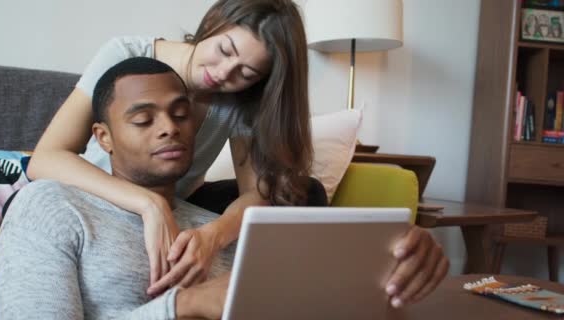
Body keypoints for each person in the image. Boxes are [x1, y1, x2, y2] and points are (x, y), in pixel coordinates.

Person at [26, 0, 449, 308]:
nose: (223, 75)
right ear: (215, 22)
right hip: (105, 193)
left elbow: (255, 193)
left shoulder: (238, 99)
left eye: (246, 73)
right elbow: (44, 160)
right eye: (225, 51)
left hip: (180, 197)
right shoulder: (127, 56)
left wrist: (213, 236)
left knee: (302, 192)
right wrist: (148, 203)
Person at [0, 57, 232, 320]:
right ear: (104, 138)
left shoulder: (219, 231)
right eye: (143, 120)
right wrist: (182, 305)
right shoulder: (51, 207)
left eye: (180, 115)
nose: (170, 128)